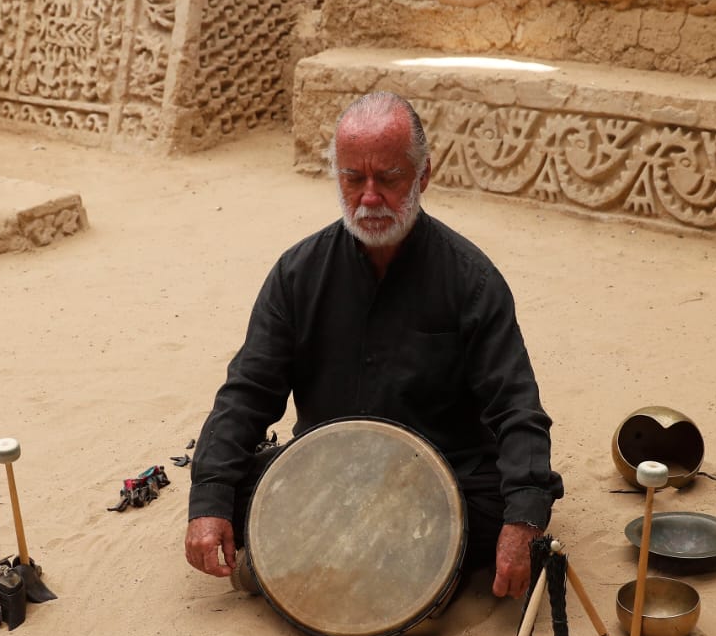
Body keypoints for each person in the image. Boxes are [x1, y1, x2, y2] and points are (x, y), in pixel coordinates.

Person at [183, 91, 563, 600]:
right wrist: (208, 502)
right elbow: (247, 393)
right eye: (352, 178)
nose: (368, 197)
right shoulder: (298, 274)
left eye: (388, 179)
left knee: (511, 511)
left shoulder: (471, 281)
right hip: (330, 471)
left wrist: (523, 520)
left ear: (423, 176)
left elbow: (517, 410)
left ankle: (349, 553)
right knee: (230, 491)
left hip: (441, 479)